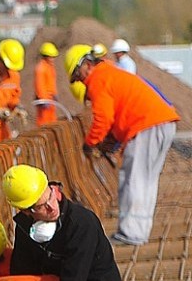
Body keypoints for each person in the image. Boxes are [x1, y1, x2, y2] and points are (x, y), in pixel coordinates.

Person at [65, 44, 179, 246]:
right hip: (160, 122)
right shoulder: (110, 73)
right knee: (145, 181)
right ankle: (139, 231)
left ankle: (130, 233)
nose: (81, 81)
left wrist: (90, 143)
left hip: (146, 124)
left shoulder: (98, 79)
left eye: (78, 75)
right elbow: (117, 113)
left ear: (87, 64)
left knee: (132, 179)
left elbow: (103, 118)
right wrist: (112, 141)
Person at [35, 42, 60, 126]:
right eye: (51, 57)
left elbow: (52, 82)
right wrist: (43, 99)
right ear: (45, 56)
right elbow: (39, 85)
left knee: (52, 121)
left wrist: (55, 93)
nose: (53, 59)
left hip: (51, 100)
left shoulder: (50, 67)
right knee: (43, 123)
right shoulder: (41, 68)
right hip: (44, 102)